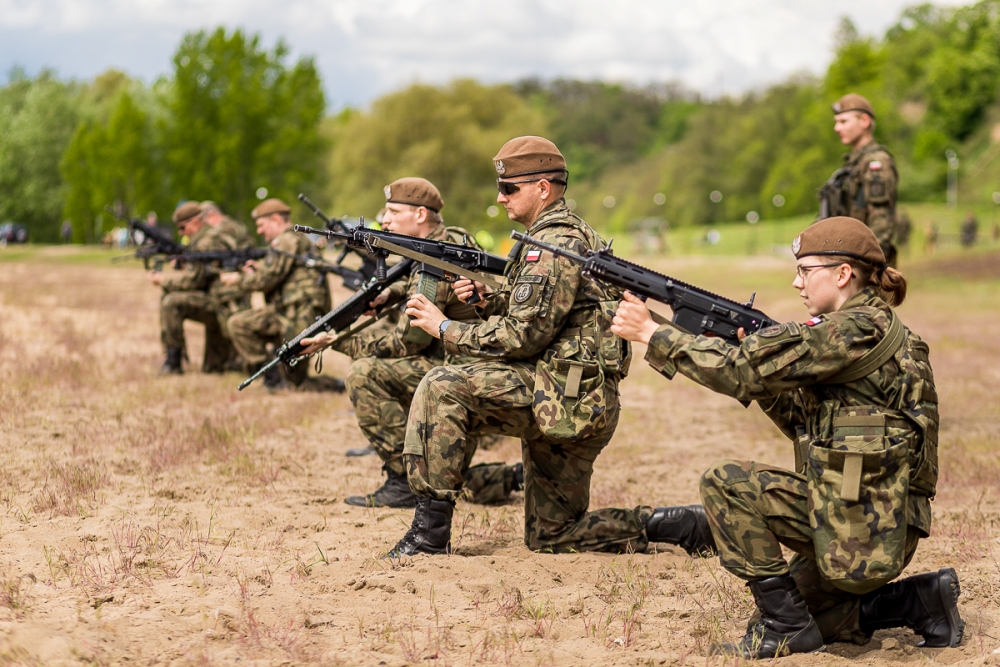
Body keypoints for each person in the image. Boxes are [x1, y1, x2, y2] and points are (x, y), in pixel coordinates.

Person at [612, 217, 963, 658]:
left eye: (805, 270)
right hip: (880, 520)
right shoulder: (884, 330)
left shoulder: (847, 330)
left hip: (862, 523)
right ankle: (921, 600)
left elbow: (738, 371)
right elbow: (805, 422)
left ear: (842, 274)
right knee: (816, 617)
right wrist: (771, 383)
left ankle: (785, 629)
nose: (795, 282)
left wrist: (652, 333)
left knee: (727, 484)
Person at [387, 136, 715, 558]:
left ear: (543, 188)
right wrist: (488, 300)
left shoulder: (555, 244)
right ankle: (676, 525)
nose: (500, 197)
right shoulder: (562, 235)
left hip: (561, 394)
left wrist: (445, 326)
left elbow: (523, 337)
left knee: (441, 385)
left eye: (510, 189)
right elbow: (550, 314)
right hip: (578, 394)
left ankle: (429, 538)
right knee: (553, 535)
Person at [299, 178, 521, 508]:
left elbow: (408, 343)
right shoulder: (447, 239)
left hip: (457, 372)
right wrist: (394, 291)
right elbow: (416, 285)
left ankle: (404, 480)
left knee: (365, 373)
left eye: (392, 211)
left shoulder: (437, 258)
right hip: (464, 364)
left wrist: (335, 341)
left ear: (420, 215)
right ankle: (512, 477)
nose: (384, 220)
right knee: (449, 478)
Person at [220, 198, 332, 390]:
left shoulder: (286, 240)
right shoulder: (296, 239)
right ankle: (274, 377)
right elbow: (278, 272)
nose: (259, 231)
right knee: (296, 381)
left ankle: (272, 378)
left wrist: (237, 279)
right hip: (295, 313)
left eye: (262, 225)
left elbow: (267, 279)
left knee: (238, 324)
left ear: (276, 220)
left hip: (296, 317)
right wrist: (258, 268)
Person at [148, 201, 239, 374]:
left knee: (170, 302)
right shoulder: (207, 238)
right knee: (212, 369)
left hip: (222, 302)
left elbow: (193, 281)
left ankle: (174, 363)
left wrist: (163, 281)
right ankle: (175, 357)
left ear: (196, 222)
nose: (181, 233)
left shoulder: (207, 241)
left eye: (183, 228)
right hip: (219, 298)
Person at [818, 94, 900, 266]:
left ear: (864, 121)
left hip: (865, 267)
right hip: (847, 261)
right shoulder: (852, 165)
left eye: (843, 121)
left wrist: (868, 268)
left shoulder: (875, 163)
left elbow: (881, 223)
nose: (836, 128)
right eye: (836, 122)